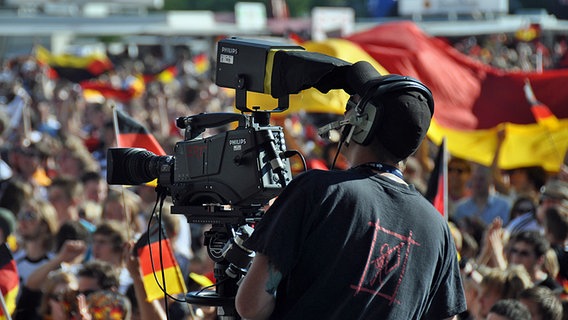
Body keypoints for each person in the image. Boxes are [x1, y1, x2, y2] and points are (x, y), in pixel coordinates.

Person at [236, 71, 466, 319]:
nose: (346, 115)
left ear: (364, 122)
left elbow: (250, 305)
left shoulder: (316, 191)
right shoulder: (439, 228)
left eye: (352, 107)